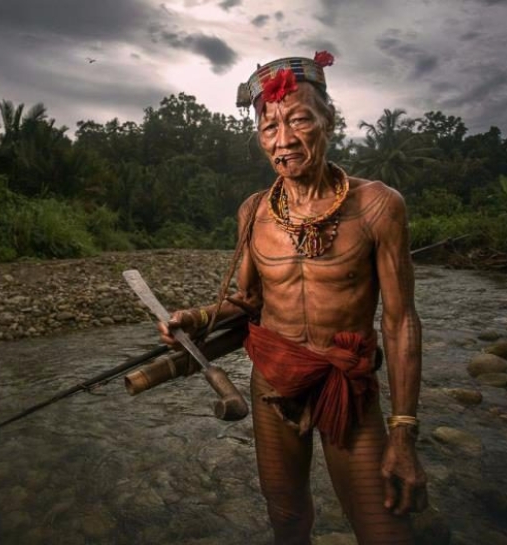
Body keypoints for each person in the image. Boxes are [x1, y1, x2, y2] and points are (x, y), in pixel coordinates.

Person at [157, 52, 428, 544]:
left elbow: (401, 320)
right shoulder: (254, 212)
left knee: (385, 529)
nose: (283, 141)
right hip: (273, 385)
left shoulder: (378, 207)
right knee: (286, 520)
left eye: (299, 120)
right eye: (268, 128)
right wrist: (196, 317)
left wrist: (404, 432)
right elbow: (248, 301)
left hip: (345, 386)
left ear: (329, 121)